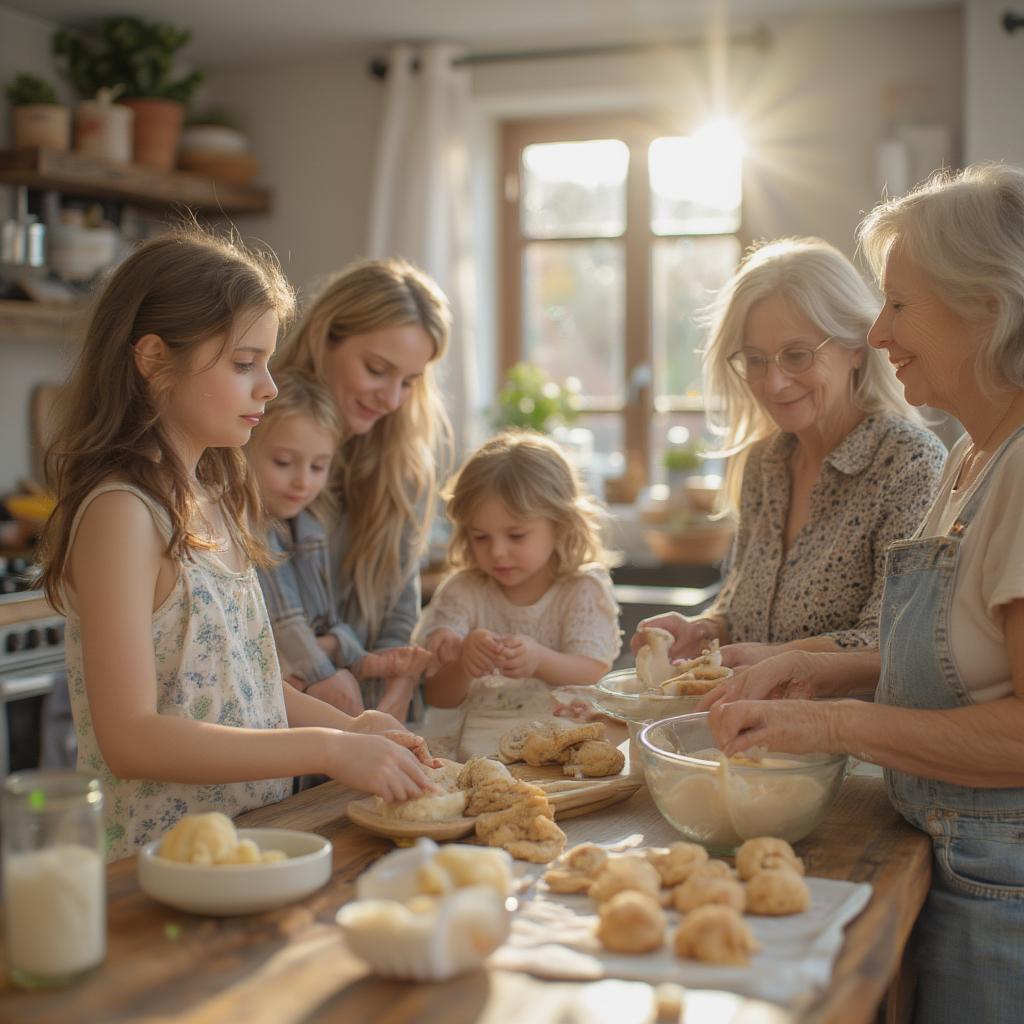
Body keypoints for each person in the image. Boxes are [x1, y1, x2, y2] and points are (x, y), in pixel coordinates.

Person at [703, 165, 1024, 1023]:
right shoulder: (972, 458)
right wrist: (815, 676)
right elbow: (954, 660)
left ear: (986, 302)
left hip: (1003, 881)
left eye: (901, 305)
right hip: (943, 850)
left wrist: (830, 720)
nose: (881, 331)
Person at [37, 230, 435, 861]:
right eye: (244, 363)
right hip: (159, 868)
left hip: (251, 848)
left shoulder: (218, 500)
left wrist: (352, 727)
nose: (270, 387)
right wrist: (327, 749)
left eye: (267, 363)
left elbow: (248, 686)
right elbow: (131, 739)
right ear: (155, 359)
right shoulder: (122, 514)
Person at [633, 237, 946, 667]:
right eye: (756, 360)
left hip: (846, 732)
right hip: (746, 725)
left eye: (796, 356)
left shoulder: (909, 464)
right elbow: (744, 610)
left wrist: (770, 660)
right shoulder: (764, 463)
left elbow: (892, 640)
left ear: (856, 347)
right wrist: (702, 629)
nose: (773, 383)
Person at [274, 258, 452, 721]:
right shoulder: (265, 453)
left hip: (376, 719)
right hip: (287, 726)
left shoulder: (403, 468)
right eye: (376, 369)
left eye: (409, 382)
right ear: (324, 338)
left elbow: (400, 612)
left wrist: (392, 697)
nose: (391, 399)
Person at [417, 431, 621, 757]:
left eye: (516, 535)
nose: (497, 552)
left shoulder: (582, 590)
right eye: (481, 537)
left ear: (561, 524)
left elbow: (593, 672)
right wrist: (463, 663)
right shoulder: (463, 592)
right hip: (474, 754)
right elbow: (437, 695)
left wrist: (538, 659)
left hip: (561, 750)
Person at [247, 370, 430, 718]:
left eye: (319, 467)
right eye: (283, 462)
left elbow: (322, 620)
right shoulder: (253, 526)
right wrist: (333, 672)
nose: (302, 481)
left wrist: (350, 654)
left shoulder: (307, 525)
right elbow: (286, 629)